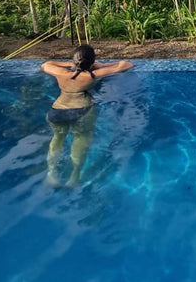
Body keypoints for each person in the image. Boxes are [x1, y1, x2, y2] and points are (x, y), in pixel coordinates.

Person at [40, 45, 132, 187]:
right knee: (80, 139)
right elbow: (126, 64)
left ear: (74, 60)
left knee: (57, 138)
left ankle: (51, 175)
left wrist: (70, 64)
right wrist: (101, 65)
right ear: (92, 61)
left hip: (57, 111)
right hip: (81, 111)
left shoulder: (61, 73)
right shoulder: (92, 76)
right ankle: (74, 176)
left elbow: (46, 64)